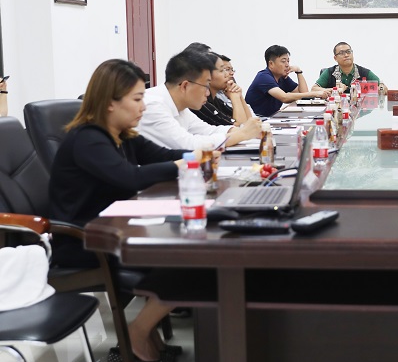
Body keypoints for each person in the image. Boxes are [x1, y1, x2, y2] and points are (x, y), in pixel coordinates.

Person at [49, 59, 199, 361]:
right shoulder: (88, 139)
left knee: (191, 257)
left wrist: (201, 155)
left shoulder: (123, 134)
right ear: (110, 102)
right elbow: (129, 177)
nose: (143, 107)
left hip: (115, 228)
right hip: (83, 240)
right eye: (137, 99)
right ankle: (136, 333)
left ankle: (142, 332)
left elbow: (163, 155)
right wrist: (181, 165)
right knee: (189, 264)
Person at [137, 49, 261, 149]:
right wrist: (242, 134)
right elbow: (189, 145)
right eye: (205, 86)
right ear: (185, 86)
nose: (207, 92)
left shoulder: (181, 107)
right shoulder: (153, 105)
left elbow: (209, 131)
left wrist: (243, 130)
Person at [245, 45, 331, 117]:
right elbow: (284, 97)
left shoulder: (282, 77)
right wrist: (315, 93)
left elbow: (303, 93)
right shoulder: (263, 77)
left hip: (272, 117)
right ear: (271, 64)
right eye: (283, 61)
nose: (287, 65)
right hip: (257, 119)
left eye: (288, 61)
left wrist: (298, 72)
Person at [191, 52, 253, 126]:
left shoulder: (217, 100)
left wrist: (239, 95)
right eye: (222, 70)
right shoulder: (201, 102)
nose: (227, 74)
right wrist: (235, 97)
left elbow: (249, 121)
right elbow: (240, 126)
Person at [312, 42, 380, 93]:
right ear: (335, 58)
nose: (346, 55)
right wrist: (334, 90)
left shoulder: (364, 72)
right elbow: (314, 89)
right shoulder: (329, 72)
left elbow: (382, 87)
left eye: (348, 52)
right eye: (342, 53)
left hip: (360, 107)